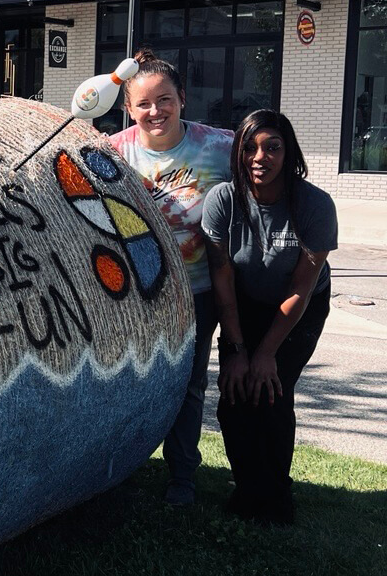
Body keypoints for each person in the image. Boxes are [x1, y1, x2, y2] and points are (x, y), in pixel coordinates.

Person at [109, 49, 234, 506]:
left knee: (188, 384)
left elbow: (270, 173)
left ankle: (182, 475)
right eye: (143, 103)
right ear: (128, 108)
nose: (154, 111)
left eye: (165, 99)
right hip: (136, 296)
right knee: (128, 380)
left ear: (182, 98)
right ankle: (118, 469)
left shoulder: (220, 148)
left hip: (199, 294)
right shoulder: (113, 153)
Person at [201, 109, 336, 525]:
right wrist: (239, 349)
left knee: (271, 392)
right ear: (238, 153)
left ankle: (276, 498)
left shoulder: (314, 204)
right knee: (235, 394)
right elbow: (222, 275)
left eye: (273, 147)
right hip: (242, 304)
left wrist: (267, 353)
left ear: (288, 152)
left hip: (299, 308)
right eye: (251, 147)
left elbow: (302, 285)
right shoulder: (223, 199)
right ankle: (247, 490)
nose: (261, 157)